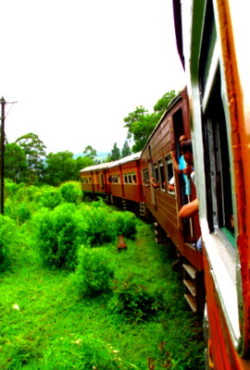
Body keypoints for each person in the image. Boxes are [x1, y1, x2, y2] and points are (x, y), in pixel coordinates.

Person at [178, 140, 202, 251]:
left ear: (188, 153)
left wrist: (201, 201)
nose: (184, 158)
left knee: (200, 246)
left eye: (184, 154)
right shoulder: (195, 171)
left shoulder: (196, 174)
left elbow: (183, 213)